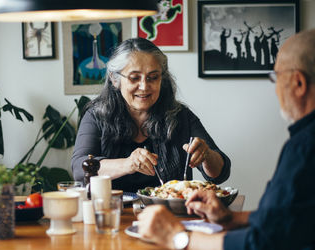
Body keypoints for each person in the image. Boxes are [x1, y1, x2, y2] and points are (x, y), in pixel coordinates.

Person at [137, 29, 315, 250]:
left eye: (276, 78)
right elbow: (292, 218)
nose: (275, 89)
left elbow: (260, 249)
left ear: (299, 83)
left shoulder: (304, 148)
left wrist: (177, 237)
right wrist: (232, 218)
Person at [71, 38, 231, 193]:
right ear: (115, 79)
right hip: (113, 213)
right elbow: (79, 168)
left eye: (153, 77)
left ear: (162, 78)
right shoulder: (96, 116)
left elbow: (220, 174)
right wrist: (128, 164)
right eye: (134, 78)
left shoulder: (181, 116)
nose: (144, 86)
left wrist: (207, 155)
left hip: (169, 215)